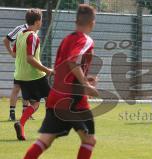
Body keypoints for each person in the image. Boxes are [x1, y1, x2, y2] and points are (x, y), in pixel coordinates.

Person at [23, 4, 98, 159]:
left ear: (76, 21)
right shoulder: (86, 40)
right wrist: (85, 84)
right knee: (89, 140)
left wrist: (83, 77)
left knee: (45, 140)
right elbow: (72, 61)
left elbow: (65, 67)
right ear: (92, 23)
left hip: (56, 96)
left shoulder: (66, 39)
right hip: (74, 99)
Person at [13, 8, 53, 140]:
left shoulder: (20, 35)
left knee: (35, 103)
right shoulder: (33, 36)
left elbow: (15, 53)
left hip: (21, 76)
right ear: (37, 22)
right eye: (41, 20)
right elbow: (30, 58)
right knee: (51, 99)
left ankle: (21, 124)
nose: (41, 22)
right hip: (34, 75)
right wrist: (47, 70)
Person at [2, 23, 35, 121]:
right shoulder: (20, 29)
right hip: (21, 63)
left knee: (28, 87)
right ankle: (12, 114)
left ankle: (25, 112)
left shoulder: (33, 31)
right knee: (17, 87)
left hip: (30, 62)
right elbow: (6, 40)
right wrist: (12, 52)